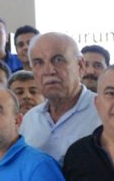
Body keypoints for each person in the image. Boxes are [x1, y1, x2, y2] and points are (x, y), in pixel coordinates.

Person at [22, 32, 101, 163]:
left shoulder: (104, 112)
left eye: (58, 60)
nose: (49, 71)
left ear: (80, 65)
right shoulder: (30, 120)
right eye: (39, 63)